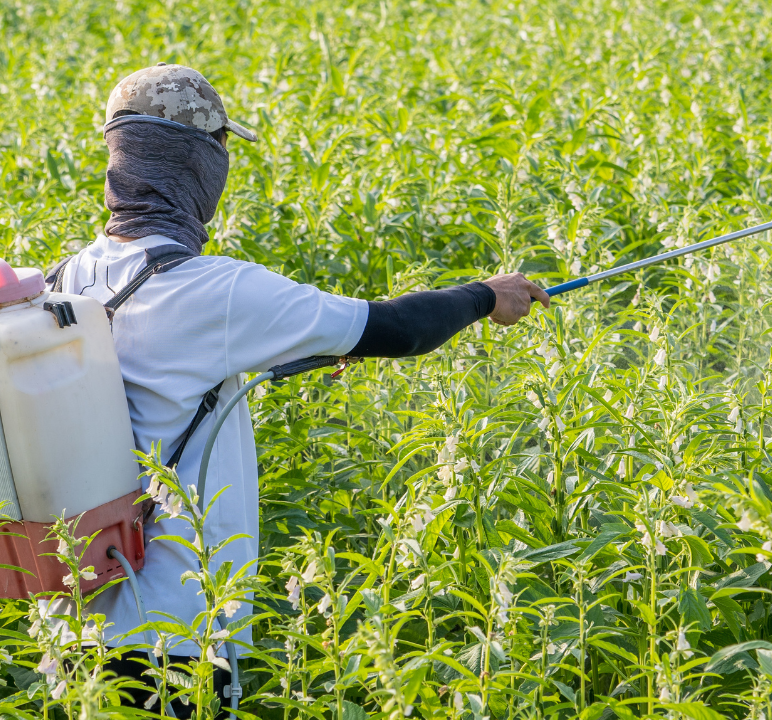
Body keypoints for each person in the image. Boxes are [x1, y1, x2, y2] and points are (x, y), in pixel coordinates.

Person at [47, 63, 548, 714]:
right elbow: (394, 329)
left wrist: (312, 344)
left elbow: (162, 372)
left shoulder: (64, 281)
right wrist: (485, 296)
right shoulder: (215, 290)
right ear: (198, 163)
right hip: (175, 634)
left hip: (70, 630)